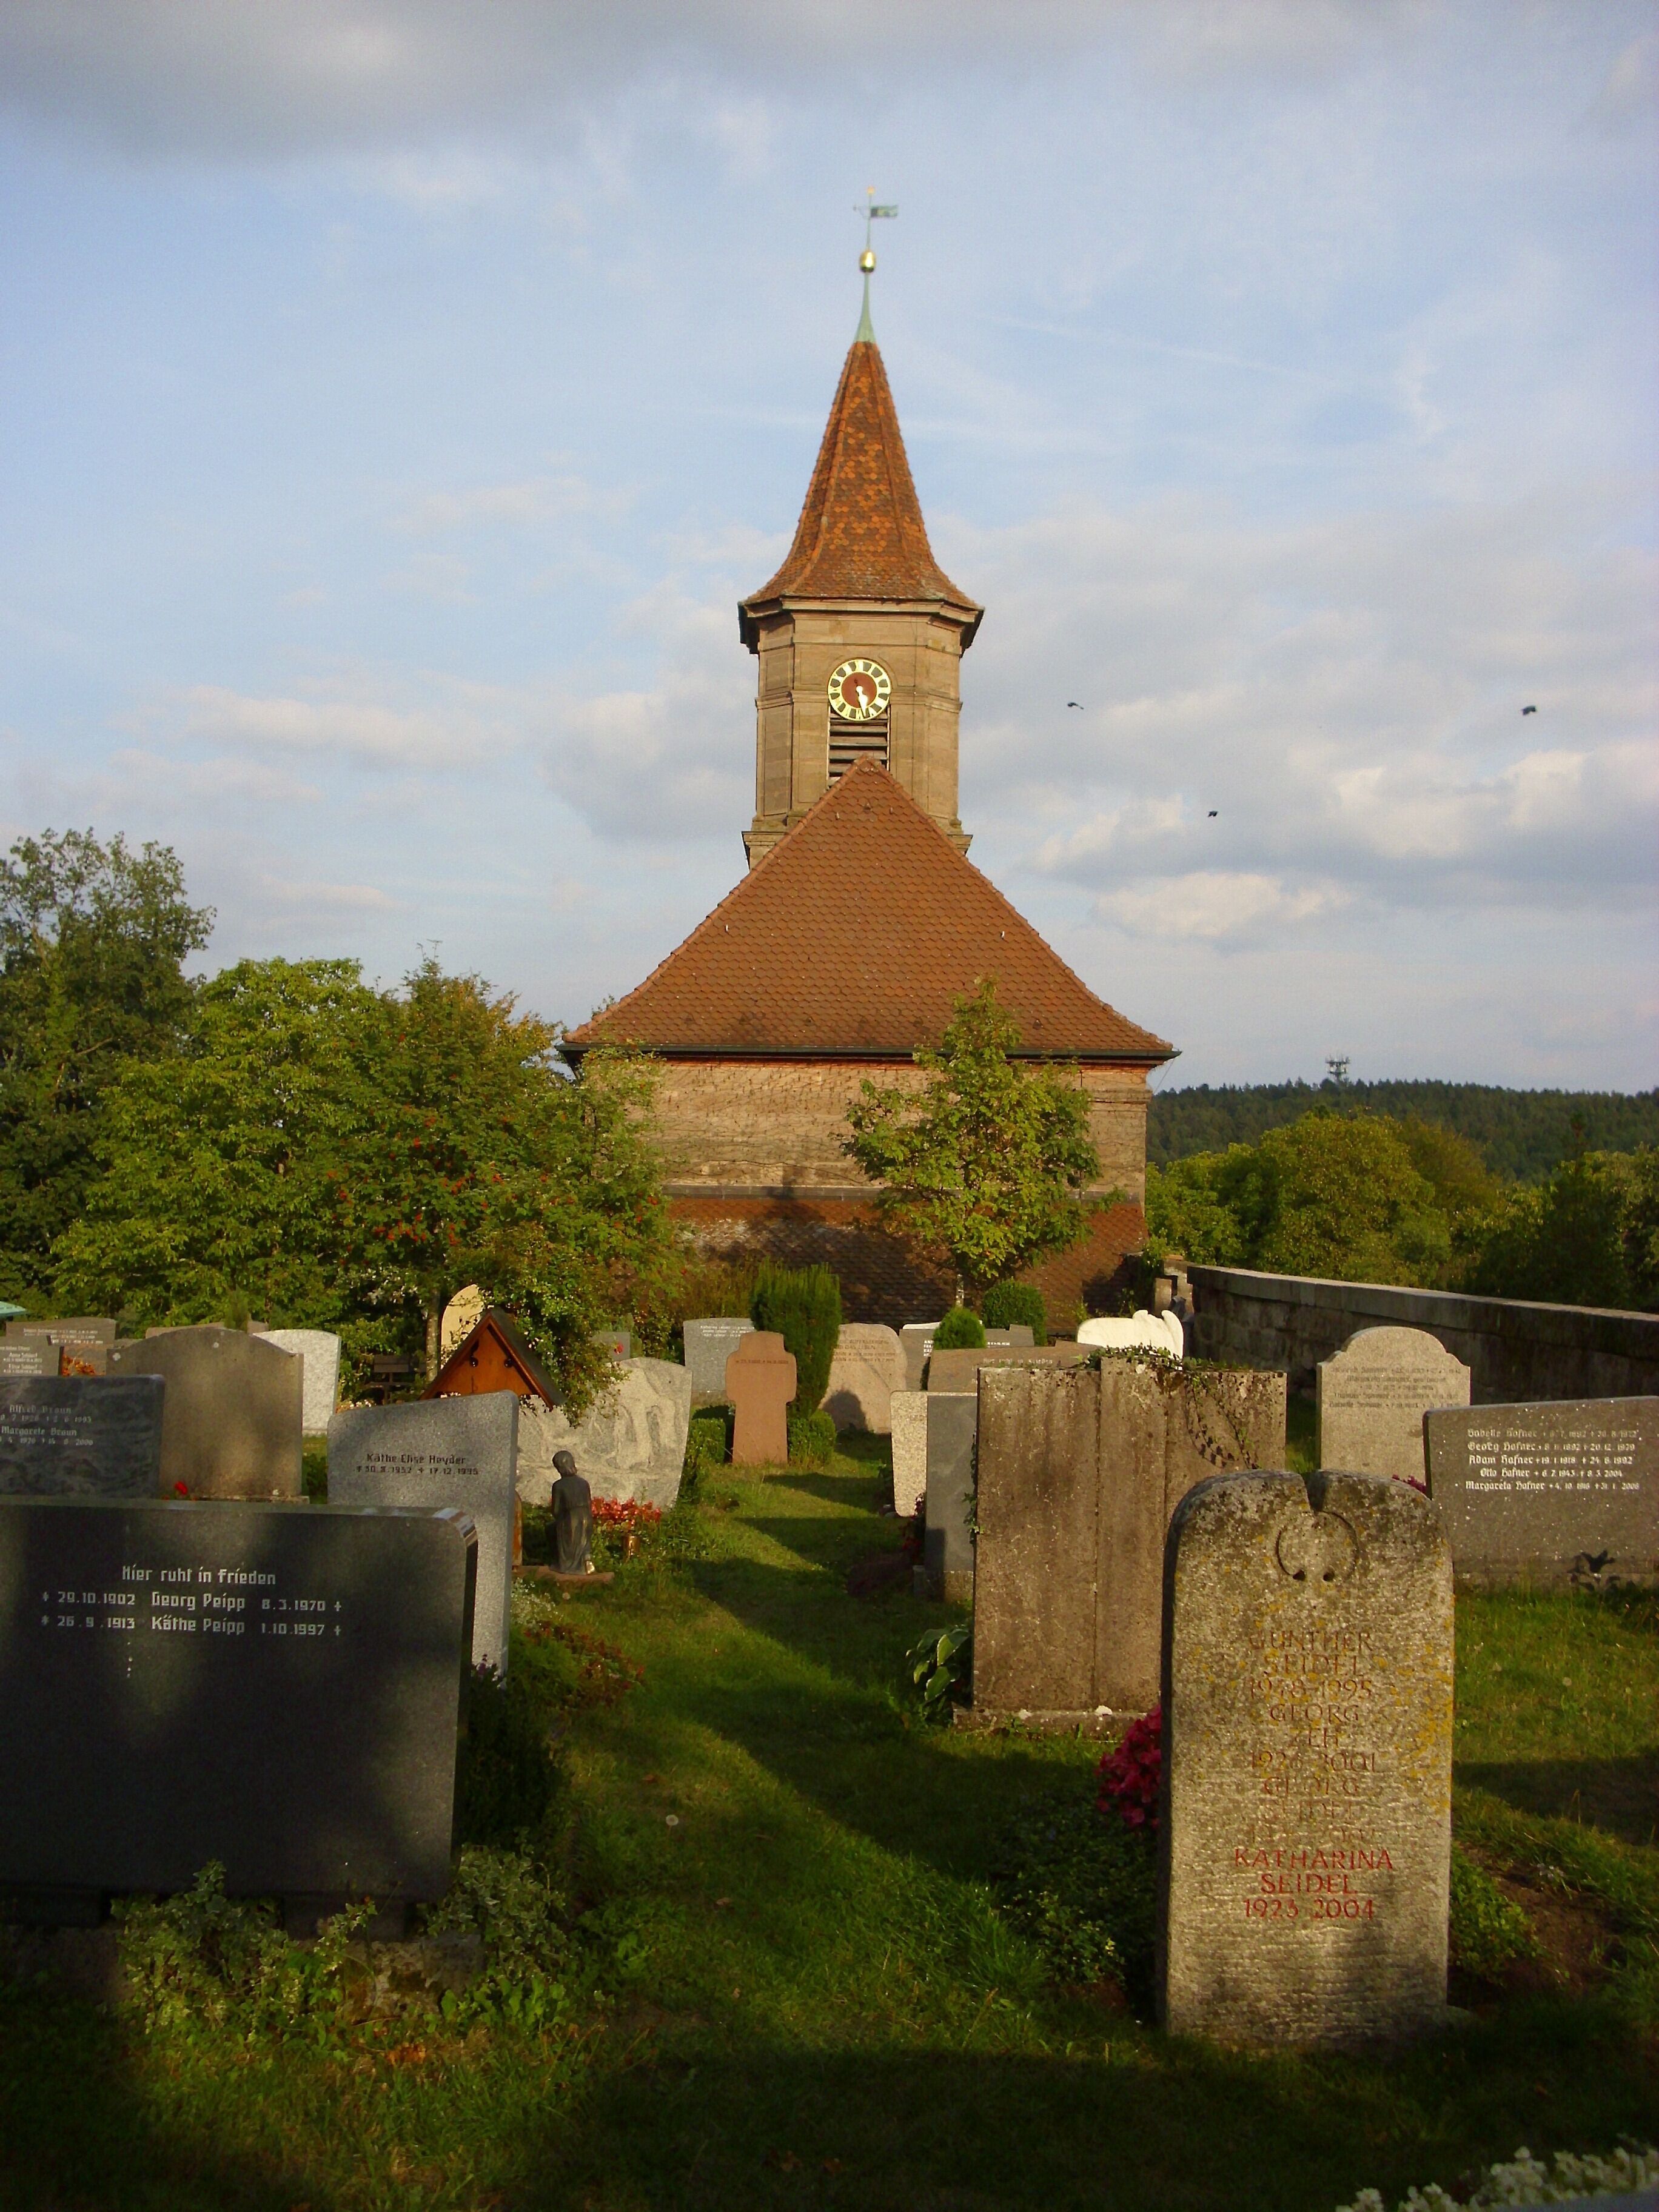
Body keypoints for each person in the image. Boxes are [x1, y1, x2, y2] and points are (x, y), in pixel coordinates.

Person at [551, 1448, 593, 1575]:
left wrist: (559, 1518)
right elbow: (589, 1503)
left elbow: (556, 1510)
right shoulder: (584, 1483)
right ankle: (585, 1560)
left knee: (556, 1532)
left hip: (570, 1518)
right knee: (583, 1540)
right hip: (587, 1517)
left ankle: (567, 1566)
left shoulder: (559, 1485)